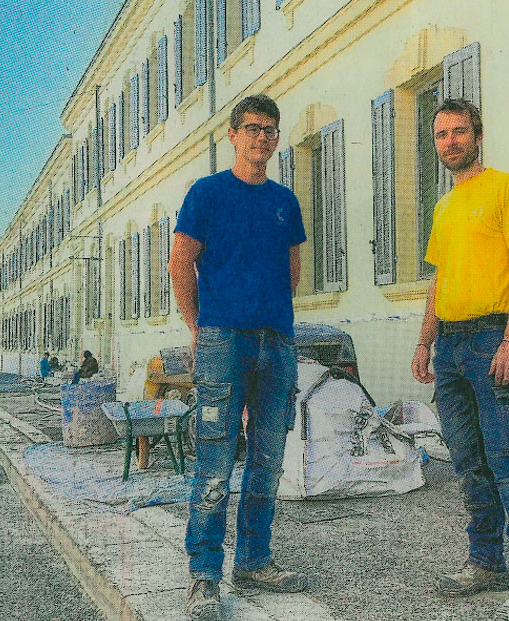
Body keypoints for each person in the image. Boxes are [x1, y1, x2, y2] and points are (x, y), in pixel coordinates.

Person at [411, 99, 509, 620]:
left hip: (492, 340)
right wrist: (425, 342)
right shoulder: (444, 207)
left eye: (459, 132)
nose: (450, 141)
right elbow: (438, 281)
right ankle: (485, 562)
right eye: (442, 134)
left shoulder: (506, 188)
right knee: (468, 462)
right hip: (449, 346)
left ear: (478, 135)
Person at [169, 94, 307, 621]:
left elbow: (291, 273)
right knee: (214, 462)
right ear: (233, 135)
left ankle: (254, 559)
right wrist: (197, 325)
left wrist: (270, 316)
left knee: (268, 459)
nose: (262, 139)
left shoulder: (284, 201)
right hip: (223, 342)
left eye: (271, 131)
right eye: (252, 129)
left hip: (276, 342)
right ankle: (204, 575)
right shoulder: (207, 194)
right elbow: (180, 261)